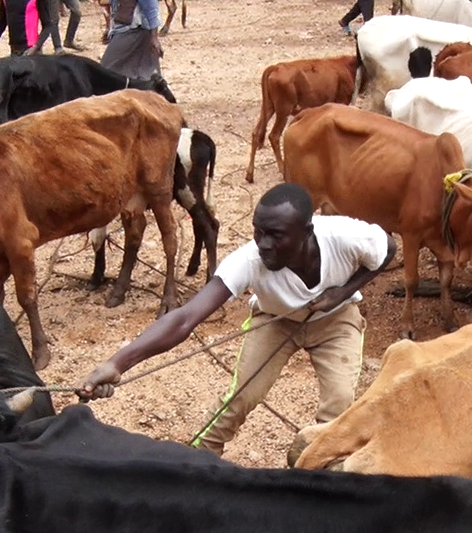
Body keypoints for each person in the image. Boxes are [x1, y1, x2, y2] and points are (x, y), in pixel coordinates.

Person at [78, 182, 396, 457]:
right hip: (274, 319)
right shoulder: (250, 259)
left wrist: (342, 293)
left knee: (339, 406)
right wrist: (117, 364)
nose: (263, 244)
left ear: (307, 231)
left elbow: (388, 249)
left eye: (276, 235)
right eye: (258, 231)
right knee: (242, 396)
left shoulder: (345, 235)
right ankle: (199, 460)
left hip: (336, 321)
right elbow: (186, 317)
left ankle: (323, 472)